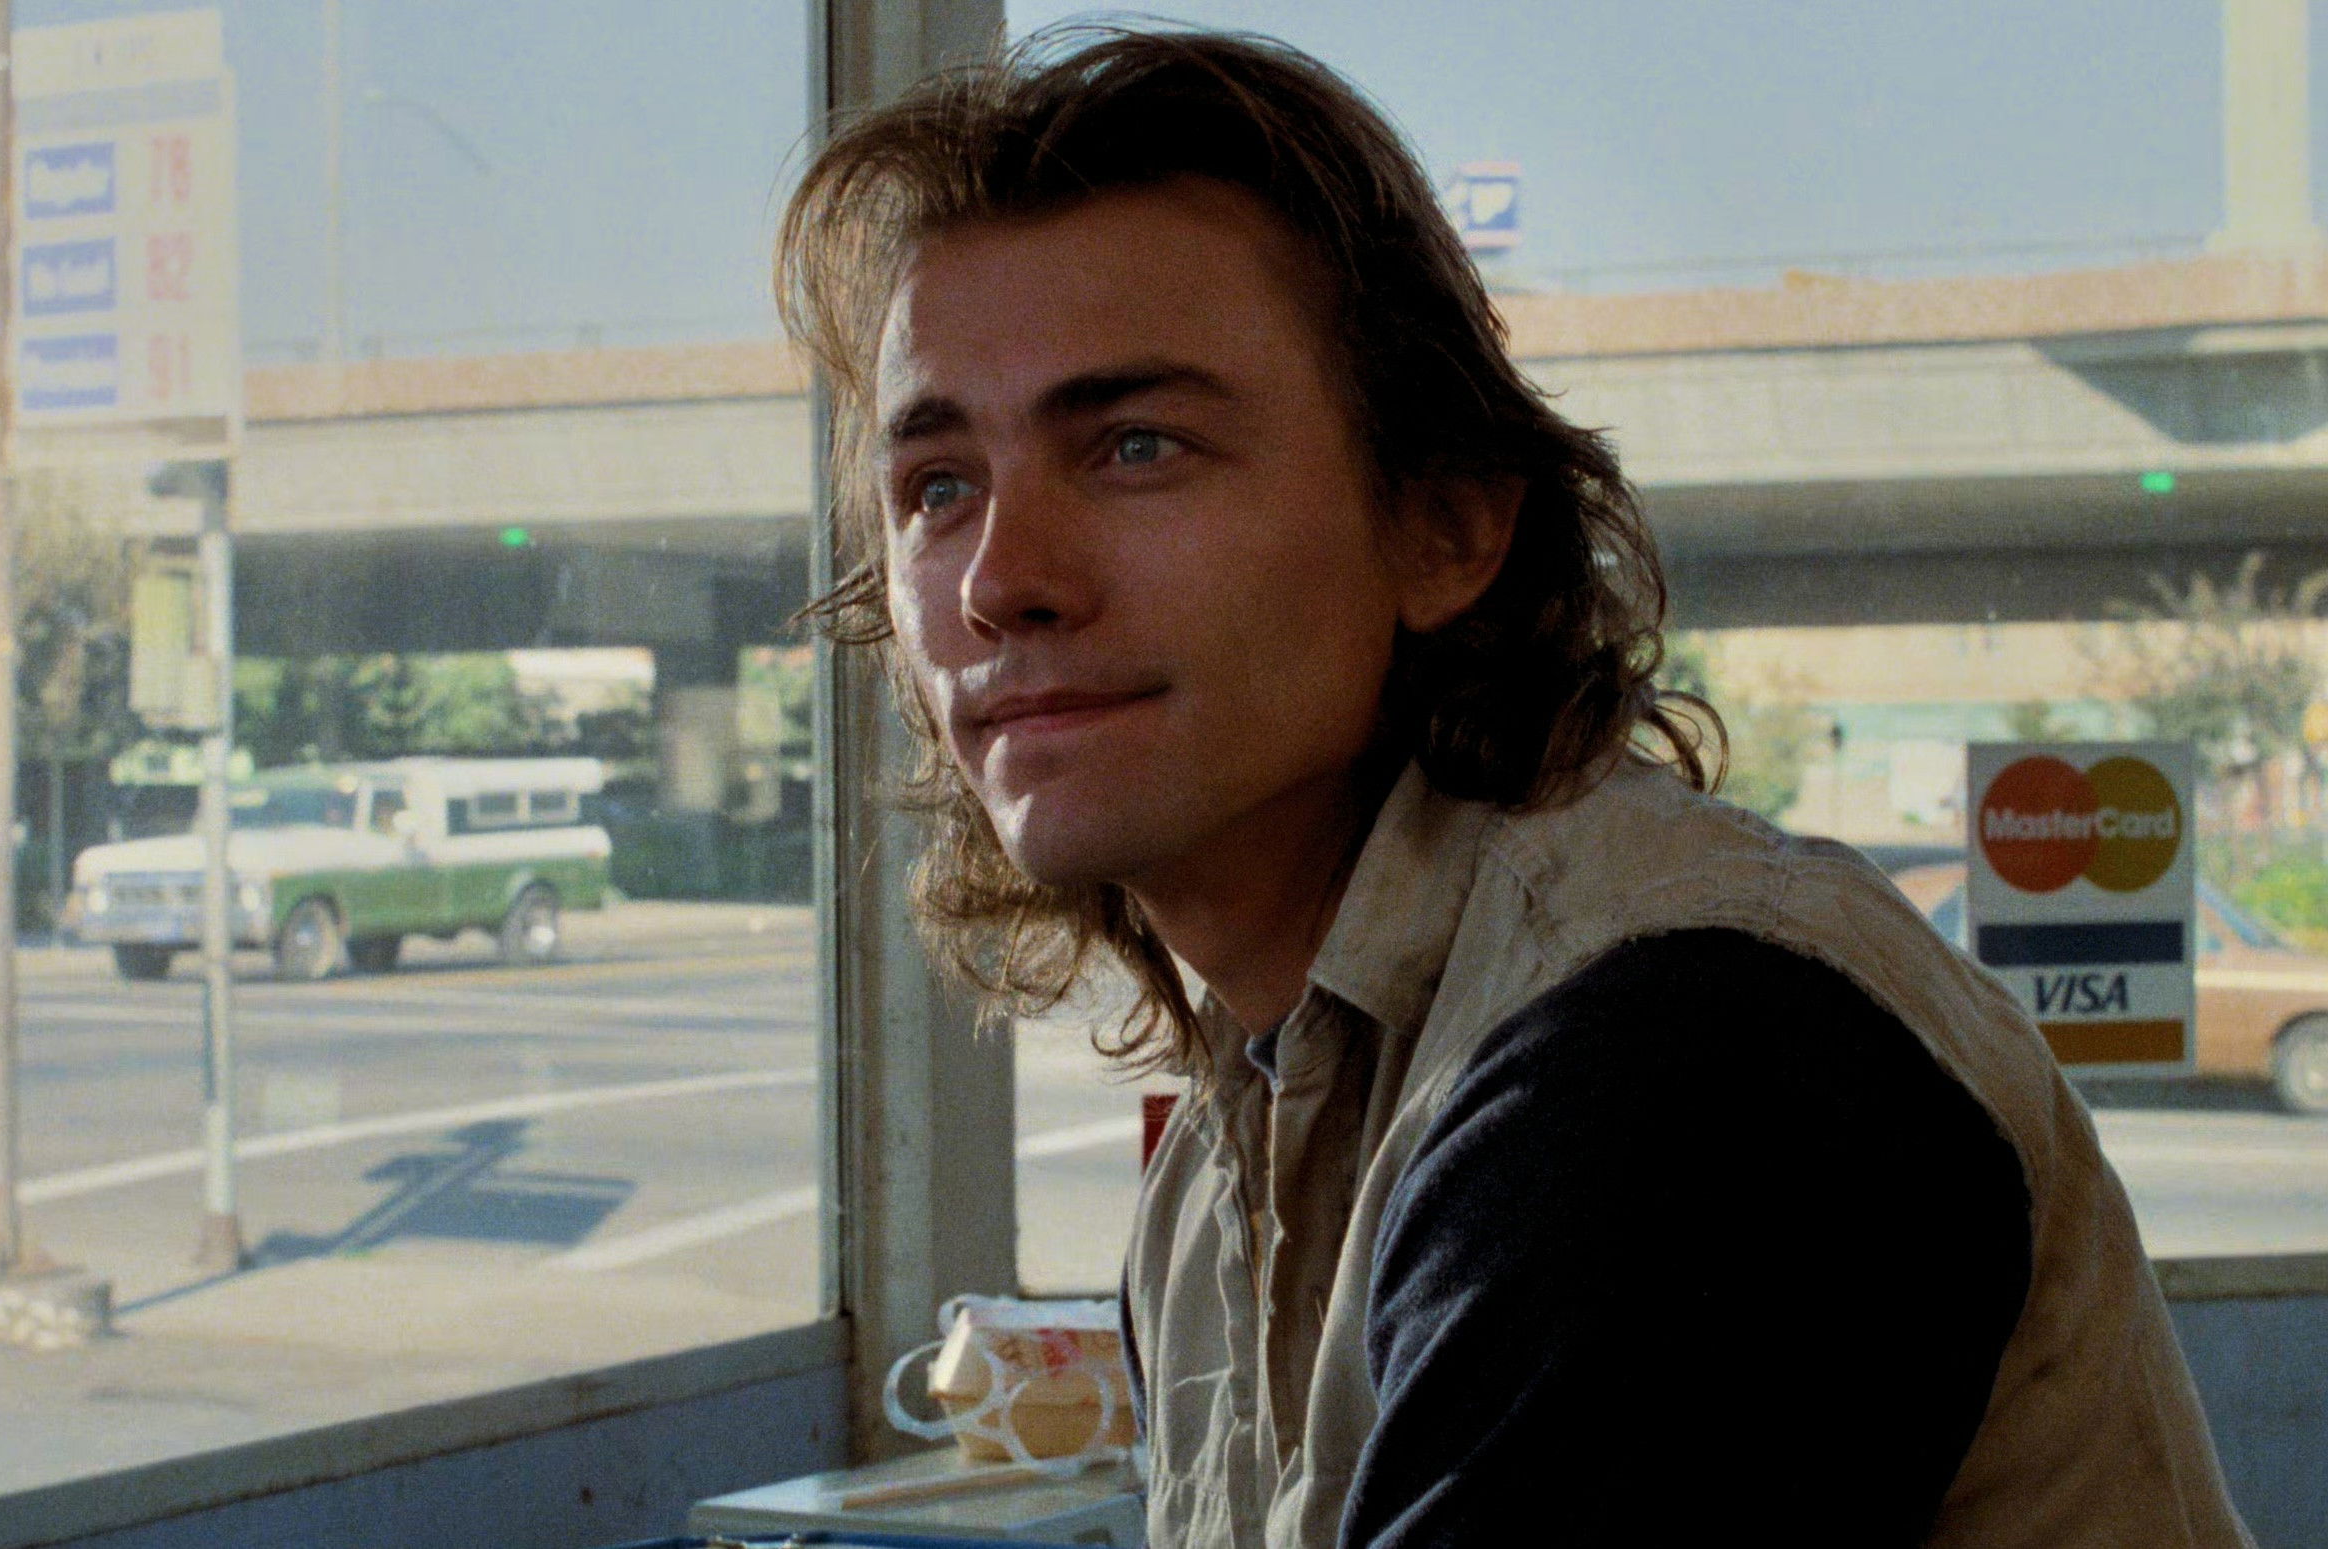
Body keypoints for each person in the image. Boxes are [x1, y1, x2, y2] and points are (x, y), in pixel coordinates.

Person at [775, 25, 2249, 1549]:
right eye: (936, 485)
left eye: (1136, 445)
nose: (999, 579)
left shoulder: (1681, 1057)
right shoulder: (1240, 1154)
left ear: (1446, 528)